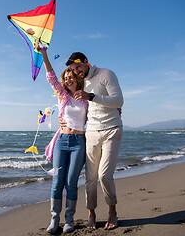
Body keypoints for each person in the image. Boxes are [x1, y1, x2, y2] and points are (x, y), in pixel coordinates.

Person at [64, 52, 124, 230]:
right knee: (90, 178)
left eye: (78, 67)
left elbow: (119, 100)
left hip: (112, 129)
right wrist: (63, 120)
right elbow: (69, 102)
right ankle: (91, 214)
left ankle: (112, 212)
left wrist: (91, 96)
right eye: (74, 70)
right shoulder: (82, 82)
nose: (77, 72)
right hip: (91, 132)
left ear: (86, 62)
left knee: (104, 175)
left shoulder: (106, 74)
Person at [39, 47, 88, 234]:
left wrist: (116, 108)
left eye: (71, 76)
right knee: (57, 181)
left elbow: (96, 113)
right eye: (65, 77)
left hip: (78, 142)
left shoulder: (85, 99)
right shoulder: (62, 95)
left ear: (77, 79)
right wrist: (44, 54)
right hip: (62, 141)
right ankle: (54, 220)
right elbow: (50, 76)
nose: (68, 79)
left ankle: (69, 220)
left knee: (71, 182)